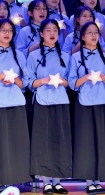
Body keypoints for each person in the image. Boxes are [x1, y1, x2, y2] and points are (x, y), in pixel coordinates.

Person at [67, 22, 105, 193]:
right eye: (89, 33)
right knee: (86, 142)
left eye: (96, 32)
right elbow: (72, 83)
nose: (94, 35)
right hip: (84, 104)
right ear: (82, 37)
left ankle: (98, 180)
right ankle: (89, 181)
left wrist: (104, 78)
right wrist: (86, 77)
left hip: (102, 103)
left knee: (101, 141)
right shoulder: (75, 57)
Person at [0, 19, 31, 187]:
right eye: (3, 30)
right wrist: (1, 77)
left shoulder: (19, 55)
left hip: (16, 103)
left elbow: (25, 83)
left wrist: (15, 79)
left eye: (10, 30)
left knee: (17, 142)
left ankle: (18, 178)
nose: (7, 33)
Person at [26, 19, 72, 194]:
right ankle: (45, 181)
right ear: (41, 34)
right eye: (48, 30)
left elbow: (71, 81)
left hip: (61, 101)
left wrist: (63, 82)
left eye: (55, 30)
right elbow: (28, 81)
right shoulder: (34, 56)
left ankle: (57, 181)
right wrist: (44, 80)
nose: (52, 34)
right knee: (43, 142)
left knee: (59, 141)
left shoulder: (65, 56)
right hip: (42, 102)